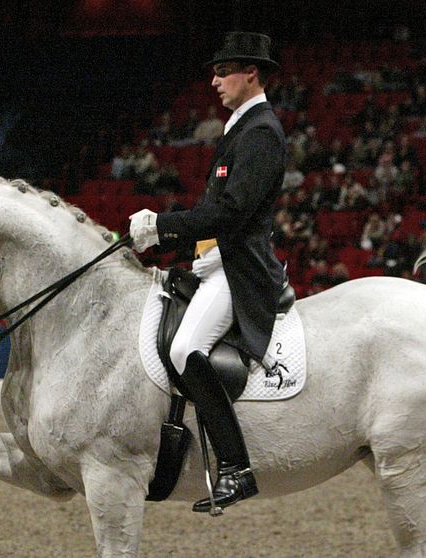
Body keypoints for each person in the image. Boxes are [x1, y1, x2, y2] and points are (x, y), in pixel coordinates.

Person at [129, 31, 286, 513]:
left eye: (223, 72)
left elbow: (231, 213)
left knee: (184, 347)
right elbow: (211, 211)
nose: (214, 81)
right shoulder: (239, 129)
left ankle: (237, 468)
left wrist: (161, 225)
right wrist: (168, 241)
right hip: (216, 261)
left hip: (241, 272)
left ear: (250, 73)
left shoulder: (260, 132)